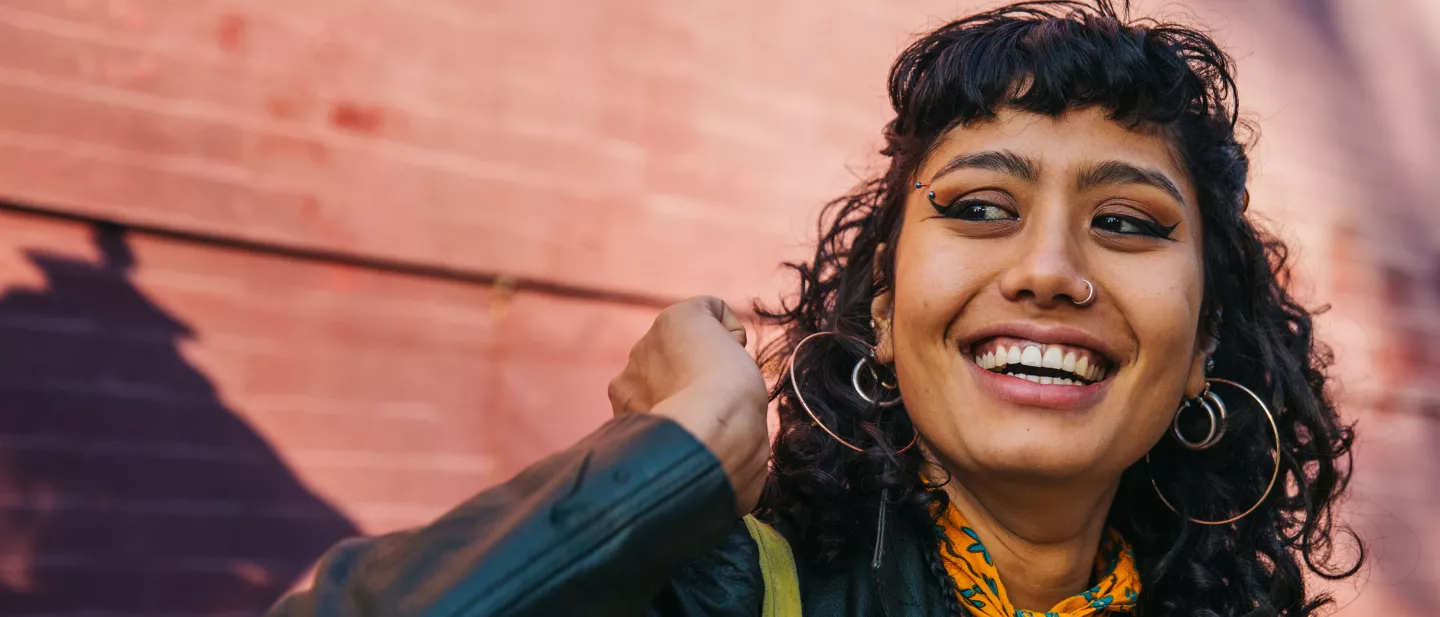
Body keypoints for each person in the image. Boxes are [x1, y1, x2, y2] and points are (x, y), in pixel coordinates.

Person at [267, 1, 1363, 615]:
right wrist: (674, 455)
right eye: (981, 205)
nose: (1050, 269)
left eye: (1128, 223)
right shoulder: (713, 589)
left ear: (1204, 338)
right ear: (882, 312)